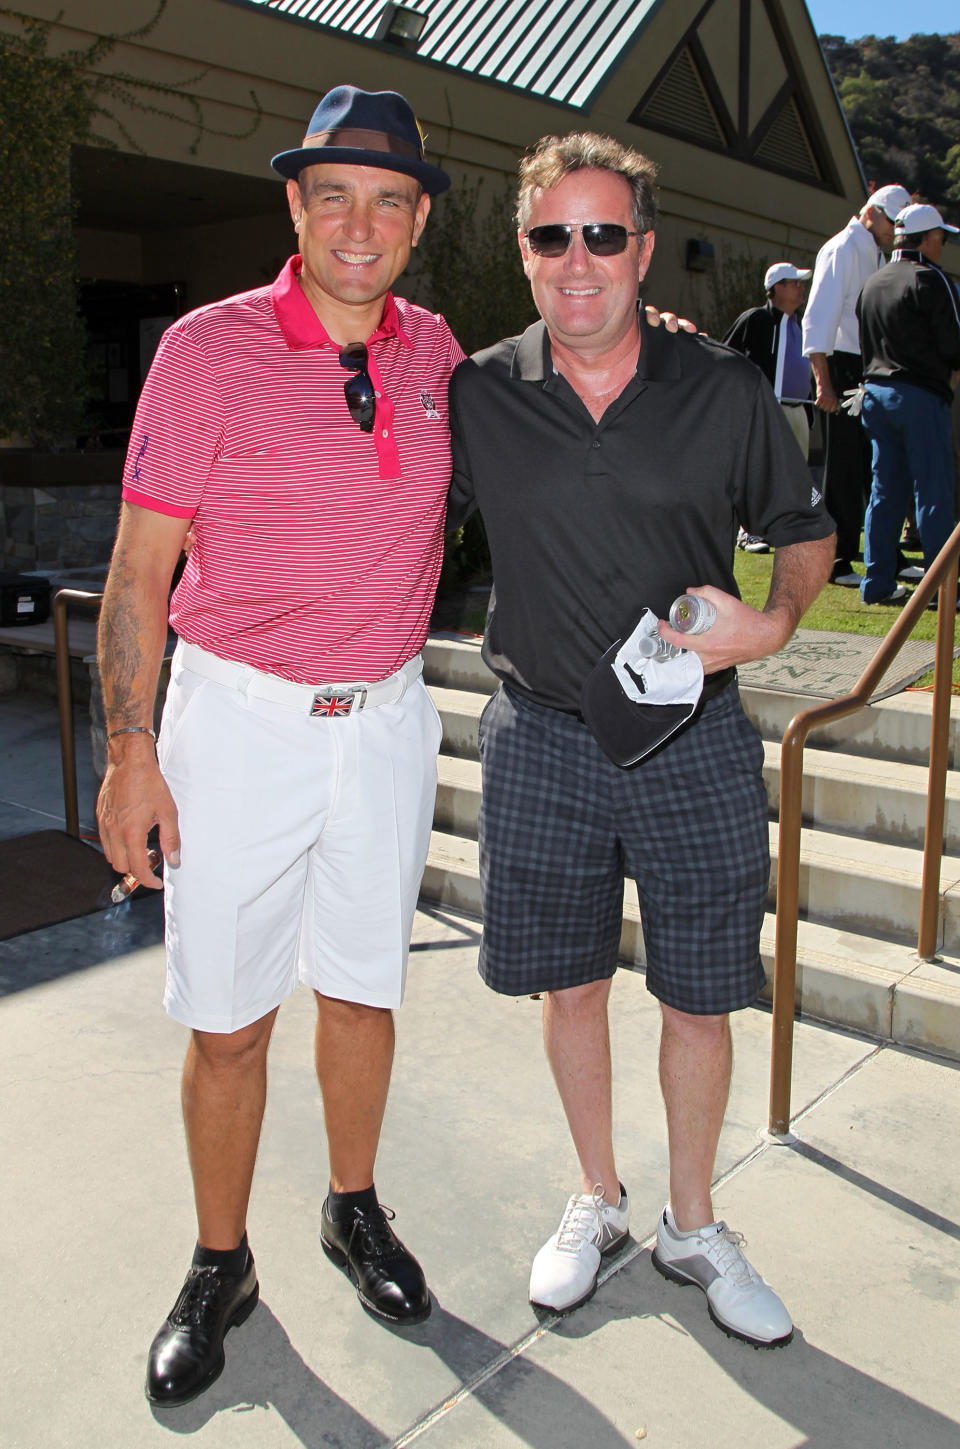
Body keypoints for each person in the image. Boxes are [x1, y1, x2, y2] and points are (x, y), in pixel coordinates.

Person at [96, 85, 463, 1408]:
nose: (359, 225)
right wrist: (131, 751)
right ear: (295, 207)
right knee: (231, 1017)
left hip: (384, 722)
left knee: (365, 989)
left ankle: (352, 1207)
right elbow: (141, 569)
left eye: (388, 200)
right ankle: (219, 1260)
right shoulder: (208, 346)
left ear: (418, 219)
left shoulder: (437, 353)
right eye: (334, 195)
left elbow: (565, 411)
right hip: (239, 723)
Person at [448, 132, 835, 1348]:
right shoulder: (478, 392)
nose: (579, 261)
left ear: (643, 251)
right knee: (569, 986)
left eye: (604, 235)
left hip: (692, 738)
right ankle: (599, 1197)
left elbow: (805, 533)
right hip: (543, 737)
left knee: (699, 997)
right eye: (553, 235)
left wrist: (769, 626)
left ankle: (690, 1220)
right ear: (523, 253)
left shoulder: (719, 386)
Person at [802, 183, 911, 587]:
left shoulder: (874, 253)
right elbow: (818, 318)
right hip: (840, 366)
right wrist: (823, 382)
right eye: (892, 223)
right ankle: (836, 560)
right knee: (843, 470)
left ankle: (887, 554)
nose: (894, 232)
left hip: (865, 366)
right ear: (874, 213)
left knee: (873, 466)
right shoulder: (842, 248)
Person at [856, 202, 960, 607]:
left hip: (875, 395)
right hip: (920, 395)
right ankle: (939, 589)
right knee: (933, 490)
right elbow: (954, 346)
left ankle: (877, 582)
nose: (944, 245)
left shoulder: (874, 280)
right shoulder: (932, 279)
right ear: (930, 238)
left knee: (885, 492)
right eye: (943, 238)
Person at [723, 261, 814, 552]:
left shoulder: (802, 325)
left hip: (798, 409)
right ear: (775, 289)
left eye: (801, 284)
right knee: (758, 471)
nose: (801, 289)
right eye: (793, 283)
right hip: (765, 410)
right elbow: (727, 356)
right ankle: (749, 532)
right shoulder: (756, 319)